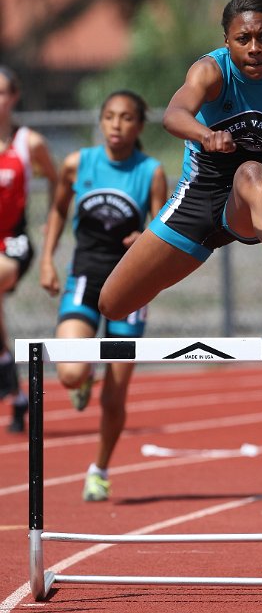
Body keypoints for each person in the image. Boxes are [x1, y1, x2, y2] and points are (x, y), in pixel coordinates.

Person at [98, 0, 262, 328]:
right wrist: (206, 135)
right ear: (227, 41)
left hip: (255, 201)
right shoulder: (211, 72)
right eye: (243, 39)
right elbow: (174, 114)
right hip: (198, 201)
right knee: (112, 304)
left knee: (251, 172)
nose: (254, 49)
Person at [40, 90, 167, 501]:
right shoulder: (78, 164)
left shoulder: (151, 172)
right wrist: (47, 259)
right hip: (85, 278)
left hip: (131, 287)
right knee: (71, 371)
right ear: (101, 121)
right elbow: (58, 209)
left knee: (115, 395)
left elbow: (167, 228)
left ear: (139, 125)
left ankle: (100, 468)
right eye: (110, 116)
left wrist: (144, 238)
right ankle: (83, 378)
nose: (116, 125)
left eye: (126, 118)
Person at [0, 65, 58, 433]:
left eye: (3, 92)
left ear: (14, 96)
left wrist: (52, 219)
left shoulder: (29, 142)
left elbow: (57, 180)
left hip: (13, 242)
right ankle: (16, 391)